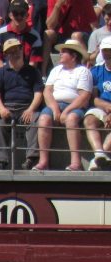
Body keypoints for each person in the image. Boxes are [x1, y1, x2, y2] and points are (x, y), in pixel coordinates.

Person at [34, 38, 92, 170]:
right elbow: (47, 91)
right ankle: (43, 161)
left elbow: (84, 96)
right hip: (55, 104)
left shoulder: (83, 71)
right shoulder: (56, 70)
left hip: (75, 106)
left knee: (71, 119)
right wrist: (55, 108)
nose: (60, 54)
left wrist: (66, 111)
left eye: (64, 52)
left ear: (74, 56)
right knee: (43, 119)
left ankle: (76, 162)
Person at [0, 37, 42, 169]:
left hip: (27, 107)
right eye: (11, 51)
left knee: (35, 120)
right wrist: (1, 109)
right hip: (8, 108)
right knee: (0, 124)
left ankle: (31, 159)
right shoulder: (1, 72)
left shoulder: (33, 71)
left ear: (22, 49)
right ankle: (0, 162)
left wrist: (30, 109)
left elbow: (38, 93)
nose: (15, 53)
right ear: (6, 55)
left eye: (17, 49)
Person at [0, 0, 44, 69]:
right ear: (10, 15)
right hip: (5, 72)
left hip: (26, 74)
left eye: (22, 14)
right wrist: (7, 73)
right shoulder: (0, 34)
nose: (19, 17)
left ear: (27, 15)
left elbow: (33, 63)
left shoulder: (35, 36)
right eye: (15, 14)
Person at [84, 37, 111, 168]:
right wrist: (107, 107)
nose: (108, 53)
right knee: (89, 119)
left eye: (110, 50)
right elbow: (93, 97)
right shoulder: (96, 71)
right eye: (105, 50)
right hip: (102, 106)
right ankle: (100, 153)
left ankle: (97, 159)